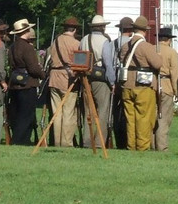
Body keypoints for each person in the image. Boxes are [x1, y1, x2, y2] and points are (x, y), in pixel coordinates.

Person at [118, 15, 162, 152]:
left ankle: (131, 146)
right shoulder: (146, 46)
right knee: (143, 117)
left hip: (126, 85)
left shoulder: (125, 46)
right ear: (145, 31)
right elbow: (158, 64)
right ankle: (142, 147)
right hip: (143, 85)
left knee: (130, 118)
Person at [7, 19, 44, 145]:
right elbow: (33, 68)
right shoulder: (27, 48)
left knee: (18, 113)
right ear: (26, 31)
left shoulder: (12, 47)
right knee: (26, 114)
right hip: (28, 83)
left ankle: (24, 140)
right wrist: (43, 75)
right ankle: (18, 140)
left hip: (15, 82)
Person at [80, 15, 115, 150]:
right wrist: (112, 81)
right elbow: (108, 63)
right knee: (102, 111)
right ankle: (100, 141)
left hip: (85, 77)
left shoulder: (83, 40)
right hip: (100, 79)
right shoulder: (104, 41)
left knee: (88, 110)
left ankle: (87, 141)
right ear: (102, 27)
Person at [46, 17, 82, 147]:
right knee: (68, 112)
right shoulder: (76, 44)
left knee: (57, 113)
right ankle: (66, 142)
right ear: (75, 29)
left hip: (54, 78)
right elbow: (79, 64)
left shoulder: (55, 41)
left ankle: (57, 141)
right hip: (68, 79)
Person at [153, 26, 178, 152]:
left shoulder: (153, 49)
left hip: (152, 85)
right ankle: (162, 146)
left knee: (152, 116)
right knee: (164, 119)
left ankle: (152, 144)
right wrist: (177, 91)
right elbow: (175, 73)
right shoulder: (171, 52)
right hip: (166, 86)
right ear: (169, 39)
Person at [111, 17, 135, 149]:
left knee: (115, 113)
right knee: (128, 112)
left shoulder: (113, 44)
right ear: (131, 30)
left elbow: (108, 64)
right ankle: (127, 140)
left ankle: (118, 140)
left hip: (115, 80)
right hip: (128, 81)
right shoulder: (134, 43)